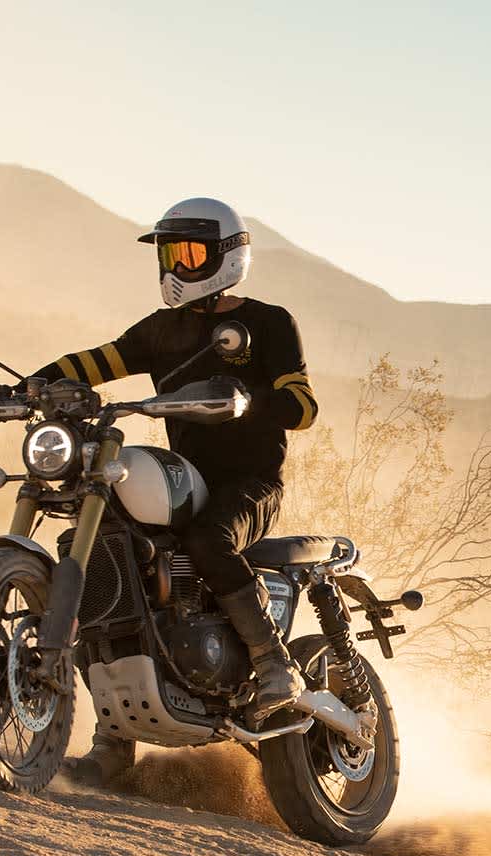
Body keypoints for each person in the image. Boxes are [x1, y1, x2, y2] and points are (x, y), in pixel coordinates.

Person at [30, 197, 319, 785]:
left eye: (187, 253)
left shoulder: (267, 323)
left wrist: (246, 401)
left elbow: (305, 406)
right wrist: (36, 383)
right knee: (106, 563)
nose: (175, 267)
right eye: (168, 254)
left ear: (226, 257)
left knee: (211, 542)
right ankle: (113, 742)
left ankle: (273, 663)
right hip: (185, 477)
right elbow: (98, 360)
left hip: (248, 483)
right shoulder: (162, 330)